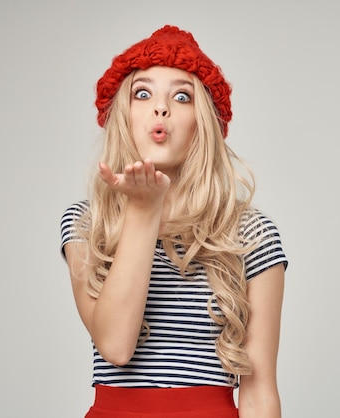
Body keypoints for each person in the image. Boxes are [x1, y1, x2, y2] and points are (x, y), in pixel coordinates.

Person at [59, 25, 288, 417]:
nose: (160, 108)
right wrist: (143, 210)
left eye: (181, 96)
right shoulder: (86, 223)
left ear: (202, 122)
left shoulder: (251, 233)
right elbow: (115, 346)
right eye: (142, 93)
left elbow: (259, 390)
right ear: (123, 116)